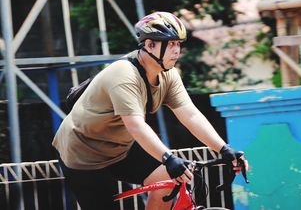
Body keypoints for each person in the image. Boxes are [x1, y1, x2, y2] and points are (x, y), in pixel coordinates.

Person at [52, 11, 248, 210]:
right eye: (170, 43)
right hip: (83, 153)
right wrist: (169, 158)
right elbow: (136, 125)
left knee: (169, 175)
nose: (176, 50)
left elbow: (190, 115)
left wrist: (224, 149)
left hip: (120, 147)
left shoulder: (169, 75)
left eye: (178, 44)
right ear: (149, 45)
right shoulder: (124, 74)